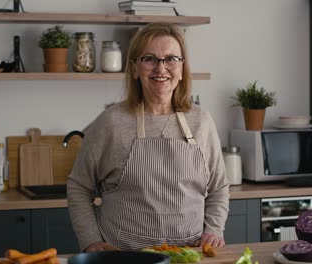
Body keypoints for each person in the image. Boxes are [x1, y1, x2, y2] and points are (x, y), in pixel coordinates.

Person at [67, 22, 230, 252]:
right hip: (124, 256)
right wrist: (90, 241)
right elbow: (79, 186)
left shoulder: (202, 122)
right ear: (134, 68)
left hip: (189, 255)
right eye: (149, 59)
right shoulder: (111, 122)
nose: (161, 69)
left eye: (171, 59)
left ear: (182, 69)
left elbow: (218, 187)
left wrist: (213, 229)